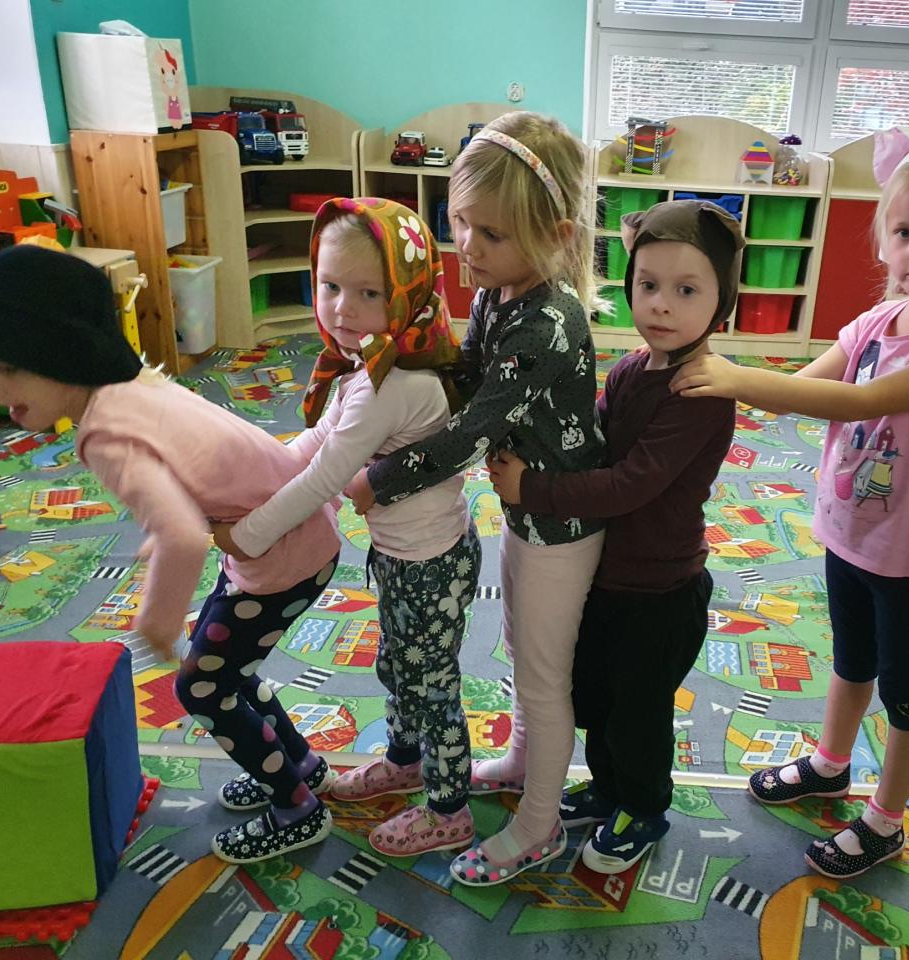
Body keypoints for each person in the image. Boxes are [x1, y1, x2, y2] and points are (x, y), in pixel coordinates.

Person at [671, 127, 909, 878]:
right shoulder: (877, 321)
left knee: (905, 691)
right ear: (883, 237)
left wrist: (736, 376)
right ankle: (831, 764)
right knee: (850, 665)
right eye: (904, 232)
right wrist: (719, 380)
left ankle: (885, 822)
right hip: (851, 532)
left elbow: (860, 400)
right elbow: (804, 387)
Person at [0, 244, 344, 864]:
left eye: (6, 367)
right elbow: (189, 471)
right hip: (292, 540)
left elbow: (186, 535)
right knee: (231, 671)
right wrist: (166, 530)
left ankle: (297, 806)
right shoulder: (132, 385)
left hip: (281, 557)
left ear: (60, 353)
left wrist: (158, 619)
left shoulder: (105, 435)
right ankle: (298, 765)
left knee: (204, 687)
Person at [348, 112, 605, 885]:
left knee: (543, 676)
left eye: (490, 233)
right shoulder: (501, 293)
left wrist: (376, 479)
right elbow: (464, 376)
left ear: (555, 236)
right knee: (525, 649)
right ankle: (524, 763)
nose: (468, 245)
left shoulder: (546, 322)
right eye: (459, 222)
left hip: (563, 525)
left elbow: (468, 433)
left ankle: (538, 826)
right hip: (529, 513)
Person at [211, 198, 480, 858]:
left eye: (368, 293)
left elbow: (325, 478)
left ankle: (449, 809)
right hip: (401, 555)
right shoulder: (372, 364)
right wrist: (256, 477)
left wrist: (249, 534)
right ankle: (406, 762)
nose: (341, 309)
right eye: (329, 286)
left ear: (408, 293)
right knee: (398, 666)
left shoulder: (390, 383)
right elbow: (316, 441)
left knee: (430, 686)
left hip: (428, 563)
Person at [490, 199, 741, 873]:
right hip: (607, 574)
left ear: (722, 302)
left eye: (686, 290)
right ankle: (608, 788)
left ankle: (644, 807)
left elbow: (631, 483)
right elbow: (594, 438)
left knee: (639, 712)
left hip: (661, 590)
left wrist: (534, 489)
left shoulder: (701, 393)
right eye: (648, 284)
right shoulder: (634, 368)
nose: (660, 304)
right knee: (596, 697)